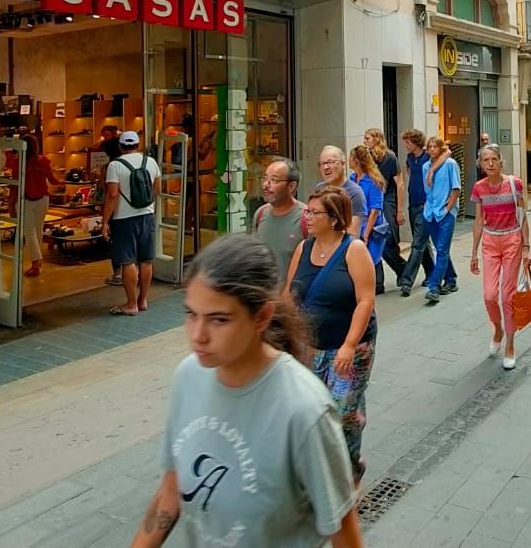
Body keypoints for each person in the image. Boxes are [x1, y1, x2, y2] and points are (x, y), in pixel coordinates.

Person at [131, 235, 363, 548]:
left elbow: (344, 533)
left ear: (262, 317)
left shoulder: (305, 411)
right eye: (191, 314)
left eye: (219, 320)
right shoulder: (188, 376)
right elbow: (171, 491)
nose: (198, 335)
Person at [285, 187, 378, 484]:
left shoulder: (354, 250)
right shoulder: (303, 248)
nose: (307, 217)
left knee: (339, 413)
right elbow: (290, 296)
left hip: (349, 348)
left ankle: (350, 473)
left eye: (315, 212)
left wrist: (349, 345)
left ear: (335, 218)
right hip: (310, 348)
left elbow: (366, 300)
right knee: (318, 411)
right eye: (307, 211)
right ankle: (327, 471)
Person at [469, 145, 531, 369]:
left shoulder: (514, 183)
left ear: (501, 161)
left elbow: (523, 215)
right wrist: (473, 252)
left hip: (512, 239)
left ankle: (510, 345)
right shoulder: (479, 188)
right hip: (490, 242)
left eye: (494, 159)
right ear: (481, 164)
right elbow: (478, 222)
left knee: (507, 296)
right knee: (488, 295)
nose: (490, 163)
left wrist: (526, 246)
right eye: (486, 160)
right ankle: (498, 329)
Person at [105, 131, 162, 316]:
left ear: (120, 146)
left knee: (128, 260)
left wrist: (105, 221)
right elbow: (158, 189)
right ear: (138, 144)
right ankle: (142, 300)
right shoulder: (151, 162)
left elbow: (112, 195)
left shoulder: (115, 165)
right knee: (146, 260)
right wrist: (146, 203)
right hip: (147, 215)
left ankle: (131, 304)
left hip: (124, 219)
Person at [397, 129, 441, 297]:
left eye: (408, 142)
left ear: (415, 142)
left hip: (425, 204)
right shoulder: (409, 158)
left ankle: (407, 281)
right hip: (413, 202)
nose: (405, 145)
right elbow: (410, 174)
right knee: (423, 242)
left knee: (417, 244)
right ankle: (431, 273)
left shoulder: (428, 157)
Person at [422, 136, 463, 304]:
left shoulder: (450, 164)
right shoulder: (426, 167)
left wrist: (448, 208)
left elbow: (456, 188)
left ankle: (433, 286)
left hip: (445, 213)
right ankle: (451, 279)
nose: (432, 149)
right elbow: (427, 190)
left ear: (440, 148)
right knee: (441, 249)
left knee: (441, 249)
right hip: (430, 212)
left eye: (434, 147)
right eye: (429, 147)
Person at [347, 145, 392, 294]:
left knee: (373, 256)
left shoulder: (373, 181)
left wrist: (366, 233)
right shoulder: (352, 179)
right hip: (357, 223)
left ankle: (377, 285)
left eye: (351, 157)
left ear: (357, 161)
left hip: (372, 225)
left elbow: (375, 210)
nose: (348, 160)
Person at [364, 129, 406, 282]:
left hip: (388, 199)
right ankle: (380, 280)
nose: (364, 141)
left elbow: (399, 183)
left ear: (377, 139)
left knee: (388, 239)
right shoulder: (367, 157)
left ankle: (402, 269)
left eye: (367, 138)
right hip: (372, 199)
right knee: (376, 240)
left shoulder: (390, 157)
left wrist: (399, 210)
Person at [254, 158, 306, 269]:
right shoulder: (260, 214)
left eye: (274, 180)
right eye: (265, 178)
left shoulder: (306, 218)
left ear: (291, 186)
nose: (266, 185)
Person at [20, 133, 61, 277]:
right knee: (37, 229)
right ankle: (37, 261)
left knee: (29, 231)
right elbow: (52, 179)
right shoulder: (43, 161)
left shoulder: (20, 162)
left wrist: (11, 203)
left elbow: (15, 186)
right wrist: (63, 181)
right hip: (43, 198)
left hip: (26, 199)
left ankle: (36, 262)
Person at [315, 147, 367, 240]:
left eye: (330, 162)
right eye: (322, 163)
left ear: (343, 164)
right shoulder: (320, 189)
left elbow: (352, 235)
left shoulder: (355, 192)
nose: (325, 167)